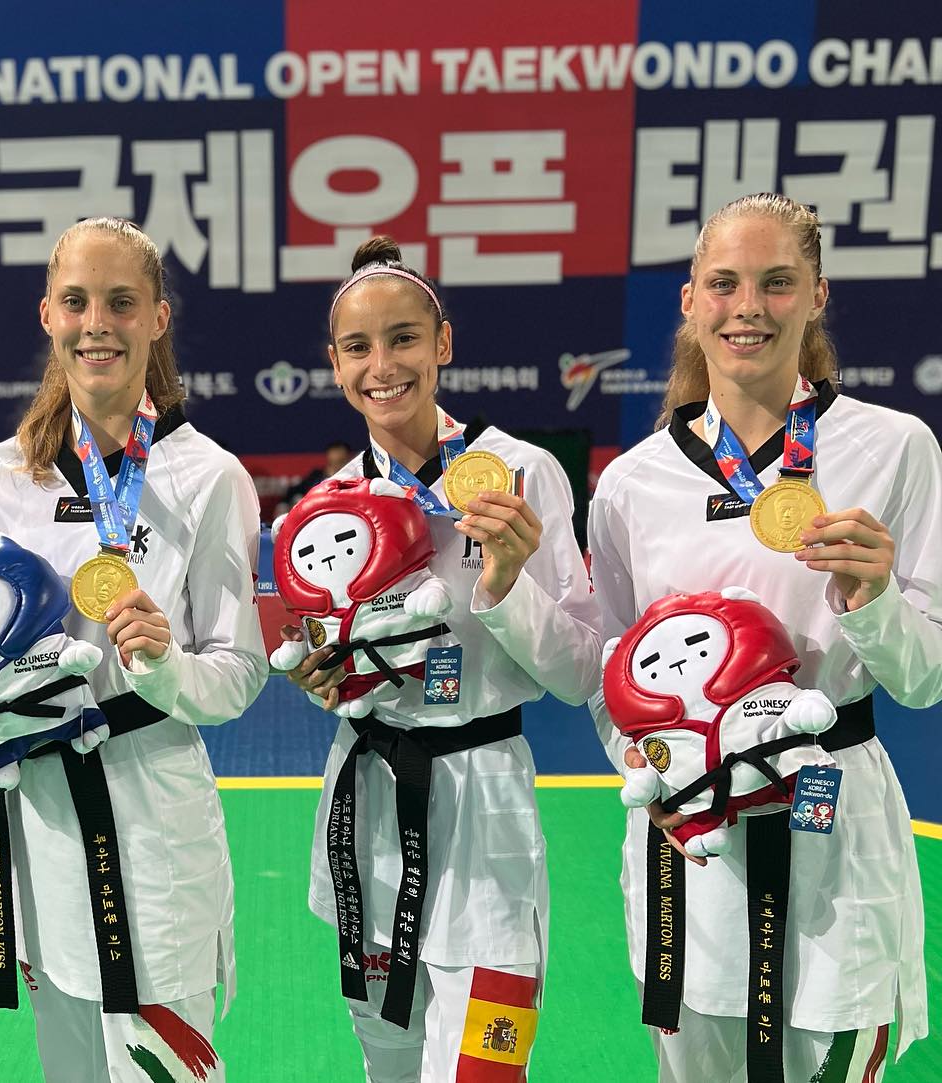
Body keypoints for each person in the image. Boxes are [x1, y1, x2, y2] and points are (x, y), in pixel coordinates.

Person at [587, 192, 942, 1082]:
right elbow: (613, 677)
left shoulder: (894, 448)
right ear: (690, 300)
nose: (748, 306)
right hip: (693, 836)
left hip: (833, 823)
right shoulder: (633, 483)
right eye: (726, 283)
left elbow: (925, 675)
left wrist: (869, 600)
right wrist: (649, 767)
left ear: (817, 294)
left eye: (777, 283)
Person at [0, 216, 268, 1082]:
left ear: (157, 318)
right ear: (47, 314)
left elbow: (241, 672)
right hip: (39, 821)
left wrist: (165, 663)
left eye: (120, 302)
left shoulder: (207, 475)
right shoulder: (4, 475)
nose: (96, 323)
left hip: (152, 815)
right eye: (76, 301)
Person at [281, 236, 601, 1082]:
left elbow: (578, 674)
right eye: (359, 347)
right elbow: (328, 661)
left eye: (403, 339)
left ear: (443, 343)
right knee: (388, 1069)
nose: (382, 365)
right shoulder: (328, 509)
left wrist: (505, 582)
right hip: (368, 808)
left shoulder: (521, 474)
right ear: (335, 362)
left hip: (487, 807)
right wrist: (325, 680)